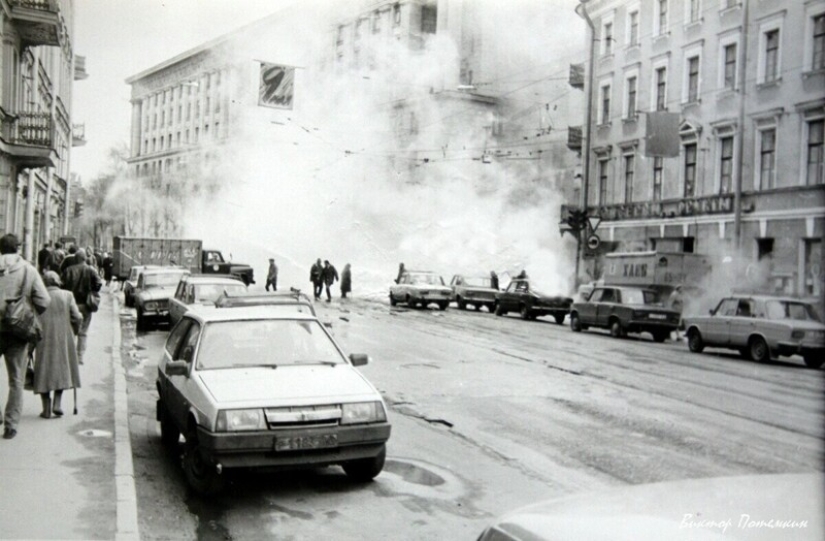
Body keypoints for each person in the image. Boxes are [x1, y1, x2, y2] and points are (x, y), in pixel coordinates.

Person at [0, 233, 51, 439]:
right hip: (17, 331)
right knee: (16, 380)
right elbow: (44, 301)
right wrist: (27, 310)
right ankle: (11, 425)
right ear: (18, 249)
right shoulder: (28, 270)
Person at [32, 271, 82, 419]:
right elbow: (77, 317)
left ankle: (46, 408)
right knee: (62, 368)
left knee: (43, 370)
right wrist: (75, 331)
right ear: (57, 281)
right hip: (64, 336)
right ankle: (57, 404)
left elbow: (31, 316)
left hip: (42, 337)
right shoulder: (67, 295)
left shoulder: (38, 297)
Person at [61, 250, 103, 365]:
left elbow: (62, 285)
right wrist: (92, 291)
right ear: (85, 259)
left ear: (76, 259)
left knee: (70, 330)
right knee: (83, 331)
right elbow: (99, 283)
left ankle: (70, 355)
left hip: (71, 304)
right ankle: (80, 356)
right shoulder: (91, 270)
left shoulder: (68, 270)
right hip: (86, 304)